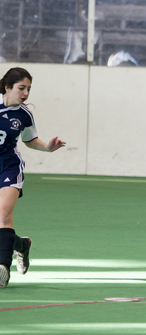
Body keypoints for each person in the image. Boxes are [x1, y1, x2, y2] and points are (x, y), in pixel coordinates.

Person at [0, 68, 66, 287]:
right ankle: (22, 245)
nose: (26, 93)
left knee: (3, 215)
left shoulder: (24, 114)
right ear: (7, 88)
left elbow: (30, 140)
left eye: (29, 89)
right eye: (21, 88)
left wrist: (48, 147)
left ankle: (2, 269)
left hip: (9, 165)